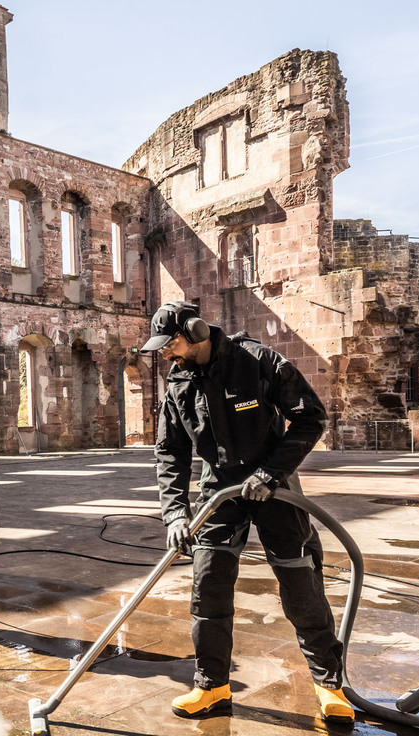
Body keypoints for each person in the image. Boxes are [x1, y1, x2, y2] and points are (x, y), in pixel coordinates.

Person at [141, 302, 352, 723]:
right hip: (219, 491)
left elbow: (311, 418)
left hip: (274, 487)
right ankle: (212, 686)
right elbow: (170, 450)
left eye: (171, 344)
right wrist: (175, 513)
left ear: (196, 331)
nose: (166, 354)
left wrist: (271, 473)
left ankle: (329, 686)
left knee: (300, 584)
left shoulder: (257, 362)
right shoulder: (179, 381)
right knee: (209, 585)